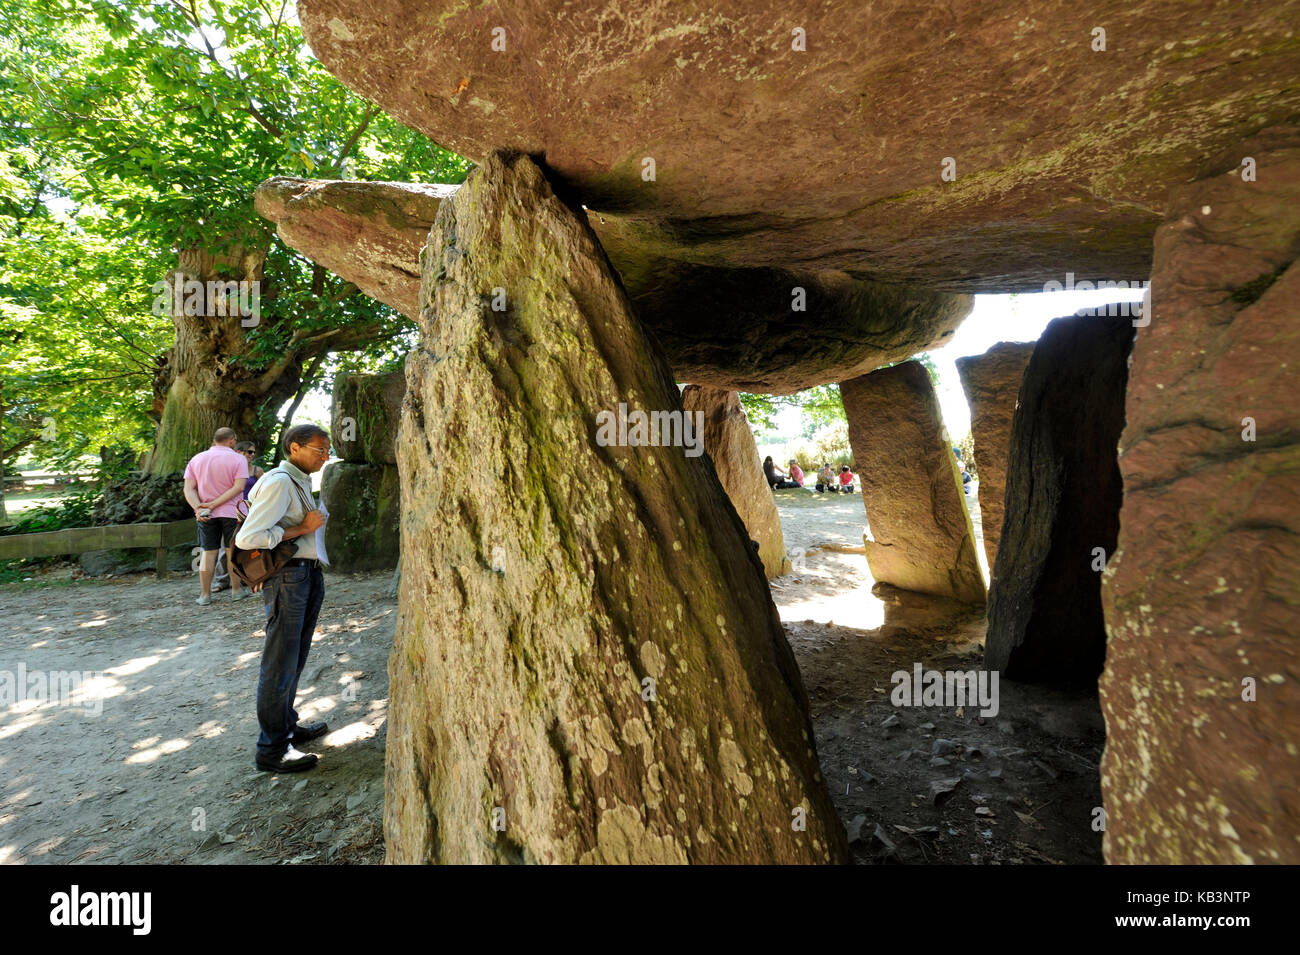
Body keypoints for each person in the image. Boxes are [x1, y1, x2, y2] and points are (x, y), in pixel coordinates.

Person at [234, 423, 332, 774]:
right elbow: (250, 538)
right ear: (294, 448)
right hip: (290, 578)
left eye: (327, 450)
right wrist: (302, 529)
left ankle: (285, 727)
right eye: (319, 450)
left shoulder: (297, 480)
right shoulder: (278, 482)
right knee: (280, 662)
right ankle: (272, 748)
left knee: (294, 657)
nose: (325, 456)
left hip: (305, 574)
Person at [183, 427, 250, 606]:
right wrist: (214, 504)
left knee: (208, 553)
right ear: (232, 440)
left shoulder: (197, 459)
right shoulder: (239, 459)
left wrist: (199, 508)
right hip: (231, 512)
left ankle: (205, 595)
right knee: (231, 552)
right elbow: (238, 487)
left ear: (214, 440)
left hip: (206, 514)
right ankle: (236, 591)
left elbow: (188, 488)